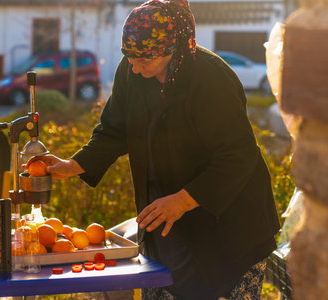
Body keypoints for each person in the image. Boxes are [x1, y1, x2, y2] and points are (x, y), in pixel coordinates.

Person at [36, 0, 280, 299]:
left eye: (144, 62)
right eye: (130, 59)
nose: (135, 69)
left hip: (228, 224)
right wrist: (73, 165)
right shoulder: (133, 70)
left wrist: (183, 200)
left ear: (171, 49)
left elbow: (237, 156)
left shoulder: (210, 78)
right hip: (168, 216)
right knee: (166, 285)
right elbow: (115, 129)